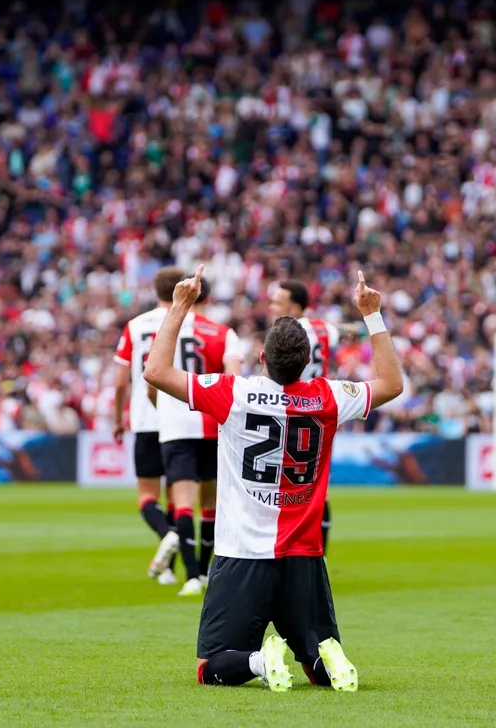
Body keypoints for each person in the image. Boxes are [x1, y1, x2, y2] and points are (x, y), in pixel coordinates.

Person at [145, 267, 403, 692]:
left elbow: (156, 372)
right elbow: (392, 382)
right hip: (304, 553)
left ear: (262, 358)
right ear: (307, 364)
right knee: (314, 663)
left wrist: (178, 307)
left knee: (211, 666)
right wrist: (372, 314)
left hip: (242, 552)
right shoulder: (329, 396)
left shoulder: (234, 393)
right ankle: (325, 656)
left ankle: (260, 661)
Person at [152, 273, 243, 596]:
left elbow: (153, 377)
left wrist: (159, 407)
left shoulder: (168, 329)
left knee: (183, 502)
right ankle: (207, 572)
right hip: (212, 423)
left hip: (176, 426)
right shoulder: (223, 333)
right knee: (211, 504)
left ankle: (191, 575)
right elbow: (234, 378)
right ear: (208, 299)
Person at [113, 267, 183, 586]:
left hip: (145, 420)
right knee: (178, 496)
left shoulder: (135, 325)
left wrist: (118, 418)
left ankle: (166, 534)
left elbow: (119, 383)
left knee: (147, 496)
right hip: (182, 420)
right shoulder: (188, 322)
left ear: (155, 290)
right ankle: (170, 567)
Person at [269, 280, 345, 550]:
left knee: (288, 483)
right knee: (317, 482)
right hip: (320, 409)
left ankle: (288, 543)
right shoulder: (326, 329)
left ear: (295, 305)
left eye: (278, 302)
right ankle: (318, 550)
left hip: (289, 407)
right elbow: (337, 342)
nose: (272, 307)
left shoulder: (283, 332)